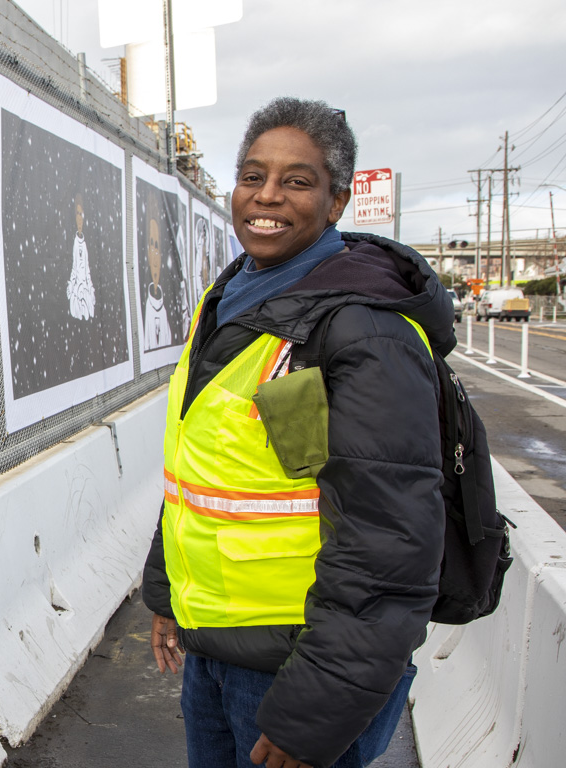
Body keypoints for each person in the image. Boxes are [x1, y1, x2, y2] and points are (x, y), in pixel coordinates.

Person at [142, 97, 453, 768]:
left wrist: (315, 710)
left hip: (297, 667)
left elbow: (388, 542)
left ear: (337, 201)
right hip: (217, 650)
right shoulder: (230, 299)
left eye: (297, 181)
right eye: (253, 176)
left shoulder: (365, 330)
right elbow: (203, 472)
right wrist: (168, 596)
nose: (267, 196)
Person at [143, 197, 173, 351]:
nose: (155, 255)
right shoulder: (145, 309)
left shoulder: (167, 314)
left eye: (157, 246)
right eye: (151, 245)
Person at [67, 194, 96, 319]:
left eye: (82, 215)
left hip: (85, 291)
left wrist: (89, 287)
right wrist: (72, 286)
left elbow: (87, 269)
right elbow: (74, 267)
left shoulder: (84, 244)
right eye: (78, 214)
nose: (80, 218)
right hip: (77, 292)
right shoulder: (73, 243)